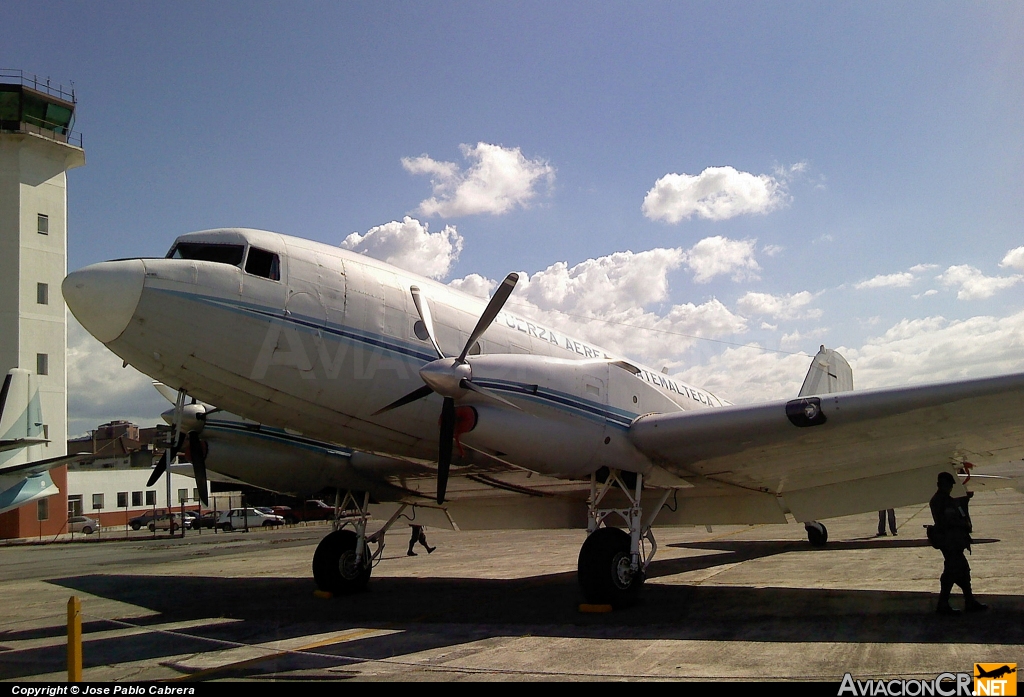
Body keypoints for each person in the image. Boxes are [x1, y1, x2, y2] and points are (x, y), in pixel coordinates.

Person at [929, 472, 987, 615]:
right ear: (941, 485)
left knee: (961, 571)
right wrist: (962, 524)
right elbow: (950, 520)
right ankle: (945, 604)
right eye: (947, 485)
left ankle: (968, 600)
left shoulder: (945, 499)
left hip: (953, 541)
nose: (949, 488)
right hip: (950, 542)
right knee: (952, 572)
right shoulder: (941, 501)